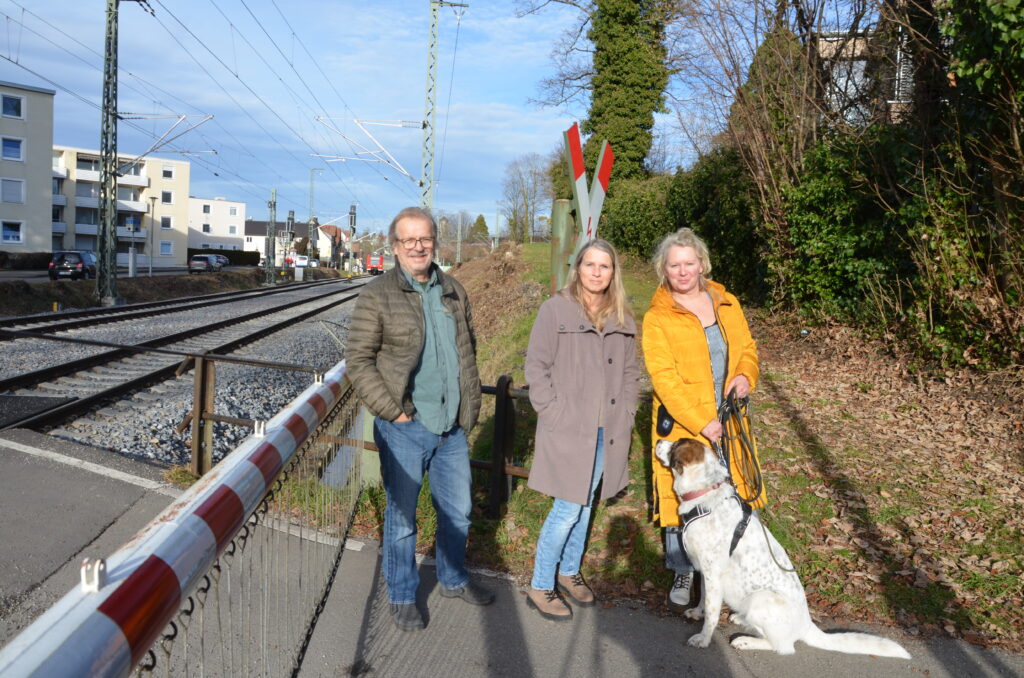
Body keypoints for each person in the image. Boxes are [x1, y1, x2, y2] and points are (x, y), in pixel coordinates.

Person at [346, 206, 494, 632]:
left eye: (424, 238)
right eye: (408, 239)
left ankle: (451, 578)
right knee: (402, 520)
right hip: (404, 427)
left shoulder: (453, 291)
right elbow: (358, 360)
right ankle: (402, 594)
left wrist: (468, 409)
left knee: (458, 512)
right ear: (394, 247)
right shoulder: (377, 295)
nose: (417, 246)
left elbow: (468, 349)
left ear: (434, 243)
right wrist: (392, 410)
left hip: (450, 428)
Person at [641, 227, 760, 613]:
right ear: (664, 268)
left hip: (730, 420)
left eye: (689, 263)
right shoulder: (658, 317)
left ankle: (736, 572)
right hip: (685, 424)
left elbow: (747, 349)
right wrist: (702, 422)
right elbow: (665, 379)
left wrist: (745, 375)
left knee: (733, 494)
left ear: (702, 264)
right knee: (684, 498)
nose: (682, 271)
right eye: (674, 264)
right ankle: (683, 570)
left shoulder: (727, 303)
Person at [524, 239, 640, 621]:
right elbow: (536, 367)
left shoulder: (623, 316)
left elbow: (629, 374)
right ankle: (541, 584)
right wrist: (552, 411)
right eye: (589, 264)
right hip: (569, 428)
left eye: (604, 266)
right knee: (568, 507)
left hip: (608, 430)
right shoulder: (555, 309)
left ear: (613, 273)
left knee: (587, 502)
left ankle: (569, 571)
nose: (596, 272)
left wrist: (626, 410)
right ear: (578, 268)